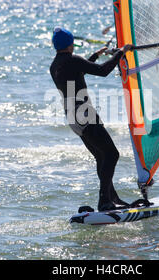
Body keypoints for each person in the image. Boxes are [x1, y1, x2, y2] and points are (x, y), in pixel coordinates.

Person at [49, 27, 133, 212]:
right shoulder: (73, 60)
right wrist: (121, 52)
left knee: (101, 156)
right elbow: (103, 71)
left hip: (72, 117)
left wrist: (95, 55)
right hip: (84, 114)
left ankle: (112, 197)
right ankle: (104, 201)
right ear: (71, 44)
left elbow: (78, 71)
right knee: (112, 155)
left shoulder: (55, 65)